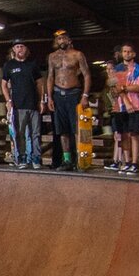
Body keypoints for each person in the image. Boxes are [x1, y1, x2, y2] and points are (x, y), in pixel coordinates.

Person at [46, 29, 91, 171]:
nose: (61, 41)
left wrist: (85, 95)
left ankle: (80, 159)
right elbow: (50, 76)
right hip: (58, 94)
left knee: (77, 128)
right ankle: (67, 160)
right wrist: (49, 97)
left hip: (74, 93)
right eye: (59, 39)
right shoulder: (52, 56)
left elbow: (87, 75)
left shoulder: (77, 55)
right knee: (62, 129)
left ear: (69, 40)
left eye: (63, 38)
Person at [1, 39, 43, 170]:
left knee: (35, 133)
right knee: (20, 133)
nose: (20, 49)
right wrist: (8, 100)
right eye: (17, 47)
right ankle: (22, 157)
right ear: (14, 49)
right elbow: (3, 84)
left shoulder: (32, 64)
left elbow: (39, 83)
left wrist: (41, 100)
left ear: (26, 49)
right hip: (18, 105)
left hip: (33, 104)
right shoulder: (9, 65)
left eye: (22, 46)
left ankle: (36, 158)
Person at [108, 44, 139, 176]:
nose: (127, 54)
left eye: (129, 51)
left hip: (135, 105)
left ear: (133, 54)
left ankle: (135, 163)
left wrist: (124, 88)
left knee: (134, 134)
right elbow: (115, 87)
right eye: (124, 51)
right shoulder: (117, 69)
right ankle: (127, 162)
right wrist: (125, 96)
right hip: (121, 107)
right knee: (124, 134)